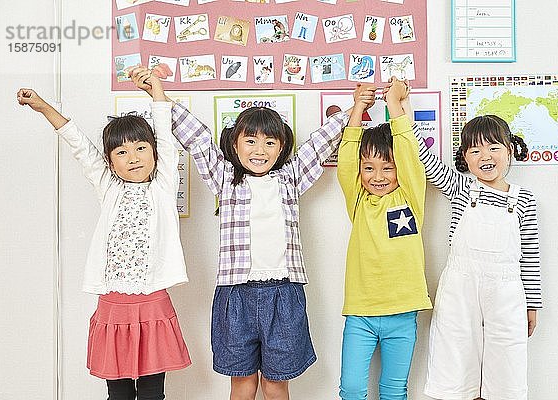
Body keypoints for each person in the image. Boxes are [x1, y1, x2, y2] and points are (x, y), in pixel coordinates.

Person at [131, 65, 375, 400]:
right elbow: (198, 137)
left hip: (283, 295)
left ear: (281, 147)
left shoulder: (290, 178)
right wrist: (157, 92)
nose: (259, 150)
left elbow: (321, 142)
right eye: (250, 141)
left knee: (276, 384)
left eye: (269, 142)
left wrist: (356, 107)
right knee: (243, 383)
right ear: (235, 143)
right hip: (235, 295)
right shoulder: (225, 179)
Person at [17, 72, 191, 400]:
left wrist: (157, 92)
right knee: (119, 396)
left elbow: (166, 137)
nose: (134, 157)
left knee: (153, 395)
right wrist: (42, 107)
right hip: (113, 305)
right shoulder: (109, 188)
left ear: (154, 154)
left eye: (141, 148)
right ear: (110, 163)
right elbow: (79, 144)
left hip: (152, 303)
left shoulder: (164, 187)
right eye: (122, 152)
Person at [413, 112, 542, 400]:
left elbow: (530, 256)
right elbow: (421, 155)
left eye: (494, 147)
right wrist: (400, 105)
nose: (486, 155)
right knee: (457, 361)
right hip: (461, 287)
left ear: (509, 150)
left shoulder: (524, 199)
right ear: (465, 158)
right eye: (475, 149)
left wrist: (532, 305)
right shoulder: (459, 188)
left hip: (507, 292)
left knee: (505, 367)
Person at [336, 77, 432, 400]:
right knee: (351, 390)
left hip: (403, 313)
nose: (377, 176)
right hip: (361, 315)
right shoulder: (359, 201)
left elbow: (408, 154)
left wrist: (394, 104)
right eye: (369, 168)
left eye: (387, 168)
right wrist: (358, 109)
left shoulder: (410, 196)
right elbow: (346, 162)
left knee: (394, 391)